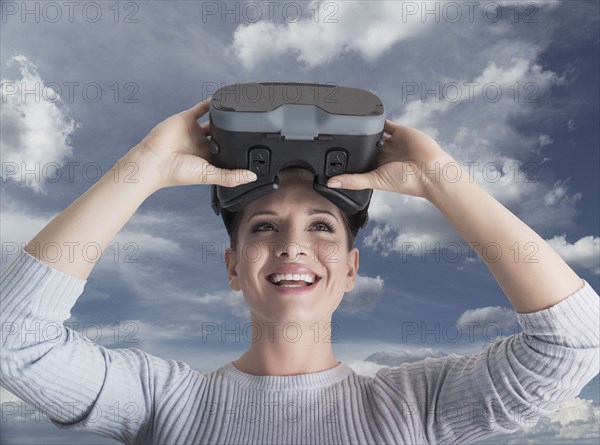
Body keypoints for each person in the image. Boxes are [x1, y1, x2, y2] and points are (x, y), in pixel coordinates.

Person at [1, 97, 598, 445]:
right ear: (234, 268)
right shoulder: (163, 401)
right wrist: (146, 166)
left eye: (321, 227)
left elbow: (573, 345)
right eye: (263, 227)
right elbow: (15, 342)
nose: (293, 245)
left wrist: (442, 179)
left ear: (351, 269)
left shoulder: (416, 405)